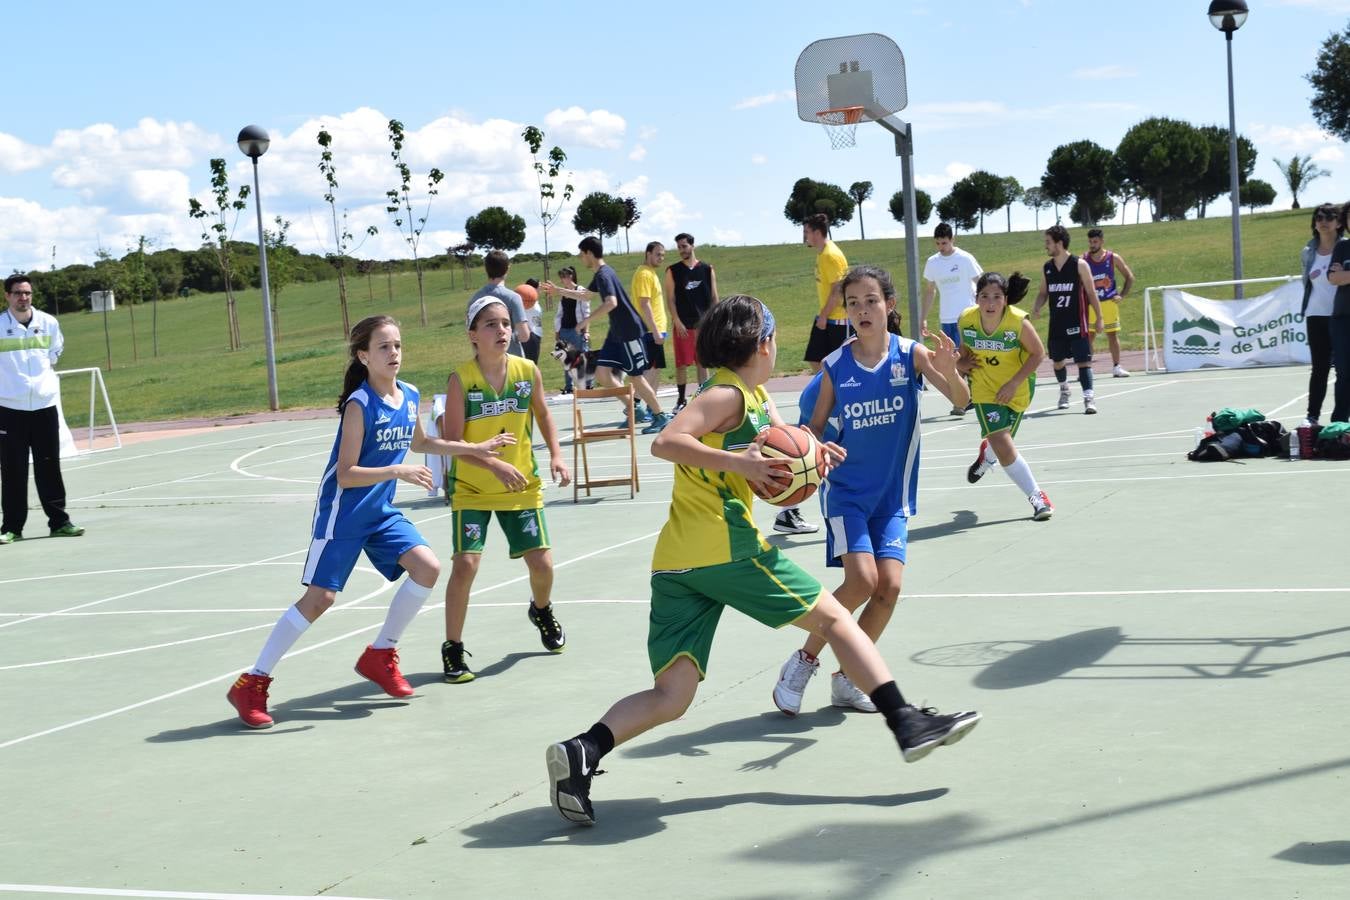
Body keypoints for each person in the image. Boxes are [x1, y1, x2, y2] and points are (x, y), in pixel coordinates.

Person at [544, 295, 979, 826]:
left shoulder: (752, 396)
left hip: (679, 563)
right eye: (775, 340)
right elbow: (666, 441)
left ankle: (582, 751)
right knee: (838, 619)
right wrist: (738, 461)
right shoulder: (726, 393)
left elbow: (787, 438)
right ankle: (905, 720)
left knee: (672, 694)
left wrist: (817, 453)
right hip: (726, 548)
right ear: (763, 344)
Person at [226, 315, 511, 728]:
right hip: (344, 513)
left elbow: (423, 442)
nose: (393, 353)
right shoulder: (359, 405)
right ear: (364, 356)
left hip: (379, 512)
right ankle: (252, 682)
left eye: (397, 345)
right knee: (320, 599)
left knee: (428, 567)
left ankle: (381, 654)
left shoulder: (409, 394)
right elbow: (346, 474)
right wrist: (399, 472)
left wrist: (478, 447)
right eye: (383, 347)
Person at [773, 266, 971, 716]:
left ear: (890, 305)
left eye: (871, 300)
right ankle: (802, 662)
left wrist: (951, 372)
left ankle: (847, 680)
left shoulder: (911, 355)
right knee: (862, 580)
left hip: (891, 497)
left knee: (889, 588)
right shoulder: (835, 367)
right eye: (854, 303)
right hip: (847, 494)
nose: (862, 310)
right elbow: (813, 429)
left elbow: (961, 402)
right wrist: (819, 448)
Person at [440, 296, 572, 683]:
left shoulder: (527, 370)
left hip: (519, 484)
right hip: (473, 487)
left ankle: (541, 610)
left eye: (505, 323)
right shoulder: (461, 379)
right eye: (491, 325)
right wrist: (492, 463)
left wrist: (557, 455)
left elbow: (544, 414)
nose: (502, 330)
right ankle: (453, 647)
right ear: (473, 336)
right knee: (465, 565)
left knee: (543, 564)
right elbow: (450, 442)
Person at [543, 237, 671, 434]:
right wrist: (558, 290)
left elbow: (611, 302)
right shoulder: (601, 272)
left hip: (629, 331)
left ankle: (659, 415)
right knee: (603, 374)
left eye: (581, 254)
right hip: (616, 332)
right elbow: (586, 295)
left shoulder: (604, 274)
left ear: (589, 254)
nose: (580, 258)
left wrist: (586, 322)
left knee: (636, 377)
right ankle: (633, 409)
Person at [961, 273, 1054, 520]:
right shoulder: (966, 320)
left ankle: (987, 454)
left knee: (1003, 442)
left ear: (1005, 300)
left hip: (1017, 388)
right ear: (976, 297)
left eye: (996, 297)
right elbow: (963, 356)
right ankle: (1038, 497)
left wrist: (1013, 384)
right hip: (984, 389)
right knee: (1004, 442)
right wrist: (960, 364)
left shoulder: (1018, 323)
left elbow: (1038, 354)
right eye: (984, 297)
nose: (990, 303)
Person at [0, 275, 83, 545]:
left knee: (50, 467)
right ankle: (11, 527)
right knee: (13, 470)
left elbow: (54, 354)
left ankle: (59, 522)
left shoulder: (48, 322)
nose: (23, 298)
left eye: (27, 293)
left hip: (45, 408)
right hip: (9, 410)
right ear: (7, 297)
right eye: (17, 293)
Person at [1031, 225, 1103, 414]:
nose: (1046, 246)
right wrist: (1037, 305)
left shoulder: (1079, 264)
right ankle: (1065, 390)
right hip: (1057, 324)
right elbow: (1042, 293)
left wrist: (1099, 318)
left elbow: (1091, 293)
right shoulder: (1047, 268)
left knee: (1083, 361)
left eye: (1048, 242)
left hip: (1077, 322)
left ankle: (1089, 397)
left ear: (1059, 243)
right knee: (1057, 361)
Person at [921, 223, 981, 415]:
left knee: (969, 357)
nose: (941, 247)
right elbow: (930, 291)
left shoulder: (965, 258)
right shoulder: (933, 262)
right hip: (946, 318)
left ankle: (969, 399)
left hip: (967, 316)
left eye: (944, 243)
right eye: (938, 243)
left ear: (952, 239)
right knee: (951, 359)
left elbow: (981, 282)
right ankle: (963, 400)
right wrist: (923, 317)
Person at [1299, 203, 1344, 427]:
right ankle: (1312, 416)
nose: (1323, 221)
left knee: (1345, 368)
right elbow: (1308, 283)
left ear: (1339, 222)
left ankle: (1341, 417)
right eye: (1318, 217)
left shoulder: (1345, 247)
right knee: (1319, 368)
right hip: (1315, 316)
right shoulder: (1308, 251)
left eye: (1329, 216)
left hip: (1342, 316)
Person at [663, 232, 719, 411]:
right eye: (679, 247)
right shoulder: (673, 271)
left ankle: (705, 397)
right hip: (683, 325)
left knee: (702, 363)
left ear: (692, 246)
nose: (681, 250)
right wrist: (676, 320)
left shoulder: (707, 269)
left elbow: (714, 297)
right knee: (681, 364)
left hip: (703, 325)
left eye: (684, 246)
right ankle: (681, 399)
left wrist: (715, 320)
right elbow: (670, 299)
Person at [1083, 228, 1136, 378]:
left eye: (1095, 242)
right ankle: (1087, 369)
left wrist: (1122, 295)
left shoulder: (1113, 257)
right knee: (1089, 337)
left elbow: (1129, 277)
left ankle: (1117, 367)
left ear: (1102, 241)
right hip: (1091, 304)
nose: (1092, 245)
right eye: (1090, 242)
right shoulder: (1083, 259)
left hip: (1109, 303)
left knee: (1112, 335)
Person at [802, 213, 851, 375]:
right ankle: (829, 392)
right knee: (815, 358)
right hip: (827, 316)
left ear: (817, 233)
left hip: (839, 320)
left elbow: (838, 289)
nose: (805, 236)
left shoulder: (830, 255)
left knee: (840, 363)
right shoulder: (822, 254)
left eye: (807, 232)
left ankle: (837, 393)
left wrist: (824, 315)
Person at [469, 250, 530, 357]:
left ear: (486, 268)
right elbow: (524, 336)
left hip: (484, 362)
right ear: (508, 268)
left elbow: (472, 335)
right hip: (511, 361)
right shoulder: (513, 298)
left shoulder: (474, 299)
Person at [631, 242, 669, 403]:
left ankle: (651, 409)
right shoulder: (645, 274)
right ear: (648, 254)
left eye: (662, 255)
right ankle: (635, 406)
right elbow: (644, 304)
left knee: (655, 369)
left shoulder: (651, 273)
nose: (661, 258)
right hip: (649, 331)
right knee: (650, 371)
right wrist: (655, 331)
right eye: (658, 254)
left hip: (655, 330)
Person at [1323, 201, 1350, 423]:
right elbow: (1333, 278)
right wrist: (1340, 275)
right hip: (1342, 319)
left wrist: (1346, 273)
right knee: (1343, 372)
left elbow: (1342, 276)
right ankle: (1340, 423)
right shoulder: (1342, 247)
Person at [551, 266, 590, 394]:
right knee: (566, 359)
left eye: (564, 276)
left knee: (582, 357)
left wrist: (586, 331)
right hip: (564, 330)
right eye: (561, 277)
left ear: (570, 276)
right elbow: (559, 314)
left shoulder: (580, 290)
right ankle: (569, 387)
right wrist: (557, 332)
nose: (562, 279)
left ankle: (587, 385)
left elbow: (586, 313)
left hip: (577, 330)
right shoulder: (563, 293)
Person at [521, 278, 544, 364]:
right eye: (539, 286)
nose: (541, 287)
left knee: (534, 363)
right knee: (531, 364)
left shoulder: (535, 300)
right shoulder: (526, 301)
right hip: (530, 336)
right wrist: (528, 331)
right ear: (533, 288)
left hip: (537, 334)